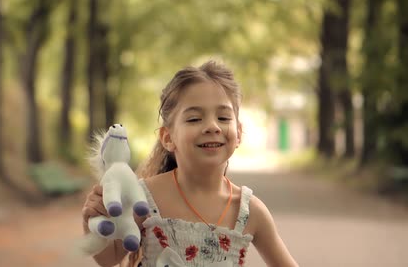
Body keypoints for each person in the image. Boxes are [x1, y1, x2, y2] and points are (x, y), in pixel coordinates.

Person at [81, 60, 298, 267]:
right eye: (194, 119)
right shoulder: (145, 197)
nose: (212, 126)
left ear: (238, 133)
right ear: (168, 138)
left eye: (223, 118)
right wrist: (92, 221)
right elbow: (109, 258)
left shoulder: (249, 211)